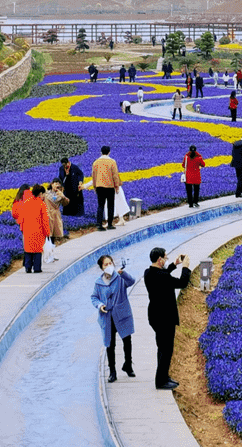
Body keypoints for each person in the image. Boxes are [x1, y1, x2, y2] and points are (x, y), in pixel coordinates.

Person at [144, 246, 191, 390]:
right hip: (165, 318)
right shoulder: (162, 277)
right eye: (165, 258)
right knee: (167, 349)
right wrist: (185, 267)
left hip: (155, 315)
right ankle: (160, 381)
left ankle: (163, 376)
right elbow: (182, 283)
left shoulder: (148, 273)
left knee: (162, 347)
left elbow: (162, 274)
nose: (166, 260)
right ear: (159, 260)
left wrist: (174, 265)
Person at [90, 254, 136, 383]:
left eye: (110, 263)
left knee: (127, 340)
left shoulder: (120, 278)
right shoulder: (98, 283)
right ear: (101, 267)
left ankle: (128, 365)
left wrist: (124, 273)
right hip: (107, 317)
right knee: (110, 344)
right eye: (106, 264)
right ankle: (112, 371)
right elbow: (94, 297)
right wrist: (100, 305)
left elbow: (132, 281)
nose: (109, 266)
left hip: (122, 314)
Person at [11, 183, 51, 273]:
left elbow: (21, 217)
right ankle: (37, 268)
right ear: (40, 194)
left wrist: (23, 229)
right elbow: (45, 220)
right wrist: (47, 232)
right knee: (37, 250)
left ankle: (28, 267)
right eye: (43, 194)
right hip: (38, 231)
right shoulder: (42, 204)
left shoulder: (27, 203)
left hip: (27, 230)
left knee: (28, 249)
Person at [92, 145, 122, 232]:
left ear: (101, 152)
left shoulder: (96, 162)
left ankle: (99, 225)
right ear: (109, 152)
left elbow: (93, 175)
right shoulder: (112, 162)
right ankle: (109, 224)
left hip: (99, 186)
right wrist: (117, 186)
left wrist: (95, 186)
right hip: (109, 186)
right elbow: (115, 175)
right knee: (110, 205)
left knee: (100, 205)